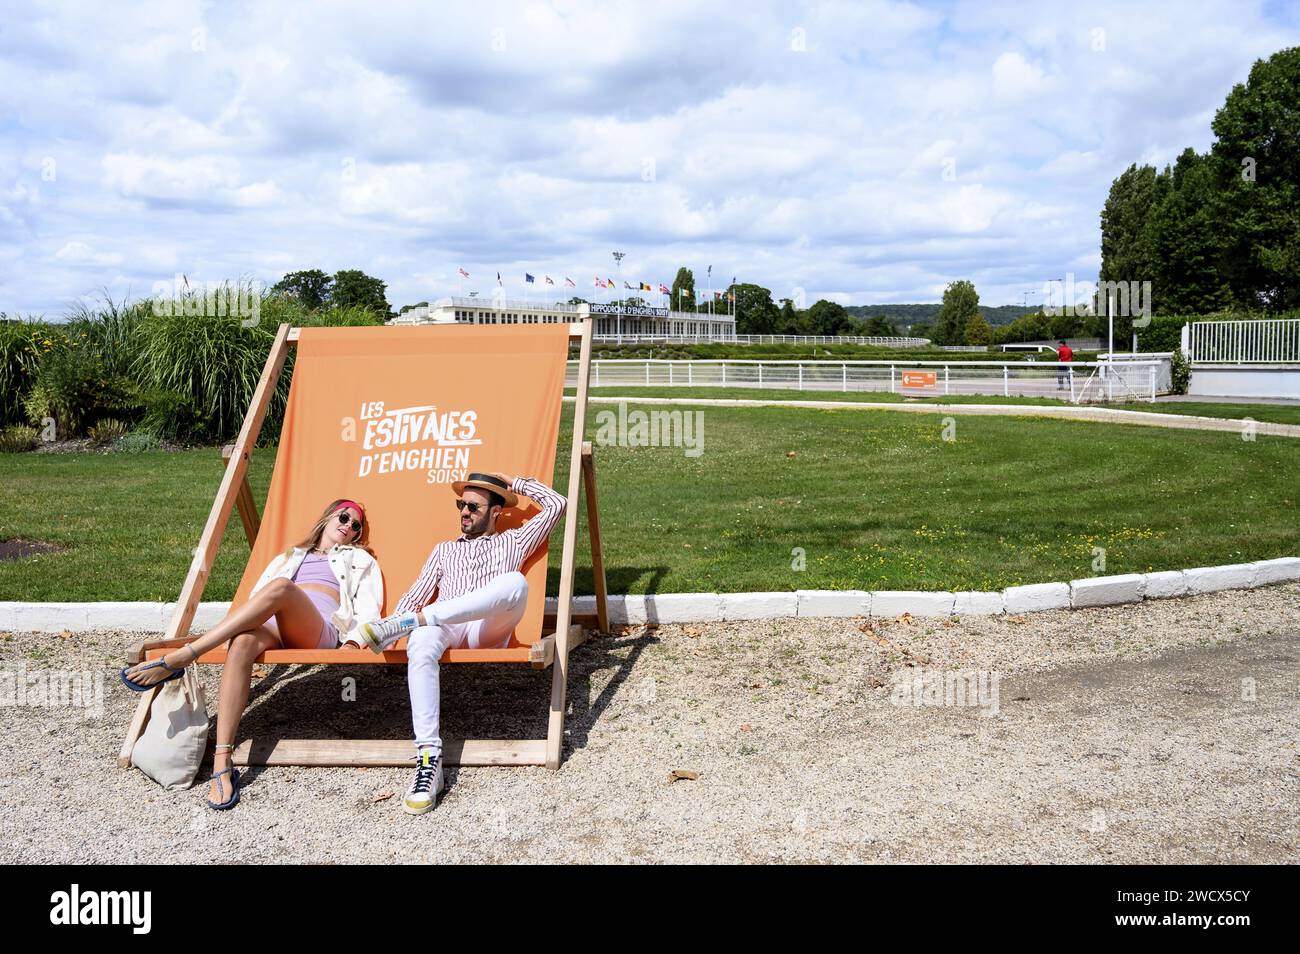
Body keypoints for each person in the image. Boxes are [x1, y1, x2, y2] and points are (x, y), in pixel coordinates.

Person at [120, 499, 384, 809]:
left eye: (356, 525)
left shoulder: (360, 559)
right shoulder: (289, 556)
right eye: (344, 517)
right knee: (243, 642)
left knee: (283, 588)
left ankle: (185, 655)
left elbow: (369, 609)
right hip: (273, 623)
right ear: (327, 517)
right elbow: (257, 598)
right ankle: (222, 760)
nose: (349, 526)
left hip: (318, 629)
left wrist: (354, 642)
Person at [360, 472, 566, 815]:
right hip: (445, 626)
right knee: (422, 641)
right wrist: (391, 628)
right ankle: (428, 760)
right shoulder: (443, 551)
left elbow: (557, 504)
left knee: (514, 582)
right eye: (461, 504)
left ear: (496, 511)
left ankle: (416, 621)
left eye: (473, 505)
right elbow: (416, 594)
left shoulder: (513, 541)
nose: (464, 511)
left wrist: (512, 482)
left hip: (488, 628)